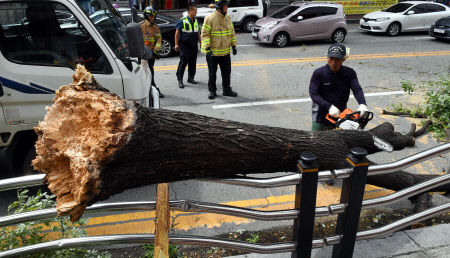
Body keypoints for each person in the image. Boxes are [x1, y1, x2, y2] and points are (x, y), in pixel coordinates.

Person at [309, 43, 368, 132]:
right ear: (327, 57)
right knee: (316, 141)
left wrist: (362, 104)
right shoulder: (319, 73)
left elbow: (357, 89)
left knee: (339, 142)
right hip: (320, 116)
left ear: (343, 59)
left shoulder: (349, 73)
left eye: (337, 60)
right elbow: (314, 94)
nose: (333, 63)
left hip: (341, 116)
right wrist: (329, 107)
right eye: (331, 59)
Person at [201, 0, 238, 99]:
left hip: (225, 52)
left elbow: (232, 33)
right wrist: (208, 47)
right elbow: (205, 34)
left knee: (226, 73)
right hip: (213, 53)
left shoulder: (228, 18)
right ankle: (212, 91)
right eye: (225, 6)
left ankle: (226, 90)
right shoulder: (210, 18)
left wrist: (234, 45)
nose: (227, 8)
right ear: (220, 7)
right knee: (212, 73)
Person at [174, 4, 201, 89]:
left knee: (193, 63)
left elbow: (198, 33)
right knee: (183, 63)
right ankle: (180, 80)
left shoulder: (196, 21)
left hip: (194, 45)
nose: (196, 12)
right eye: (195, 10)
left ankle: (191, 78)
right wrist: (176, 44)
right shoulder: (182, 21)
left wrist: (201, 42)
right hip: (185, 46)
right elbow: (177, 33)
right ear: (190, 11)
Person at [140, 5, 164, 98]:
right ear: (146, 16)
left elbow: (158, 39)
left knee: (150, 72)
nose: (152, 18)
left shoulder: (156, 27)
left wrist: (156, 50)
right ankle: (151, 90)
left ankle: (152, 89)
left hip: (152, 54)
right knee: (146, 73)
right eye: (150, 16)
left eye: (153, 16)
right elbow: (138, 40)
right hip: (143, 55)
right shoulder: (141, 26)